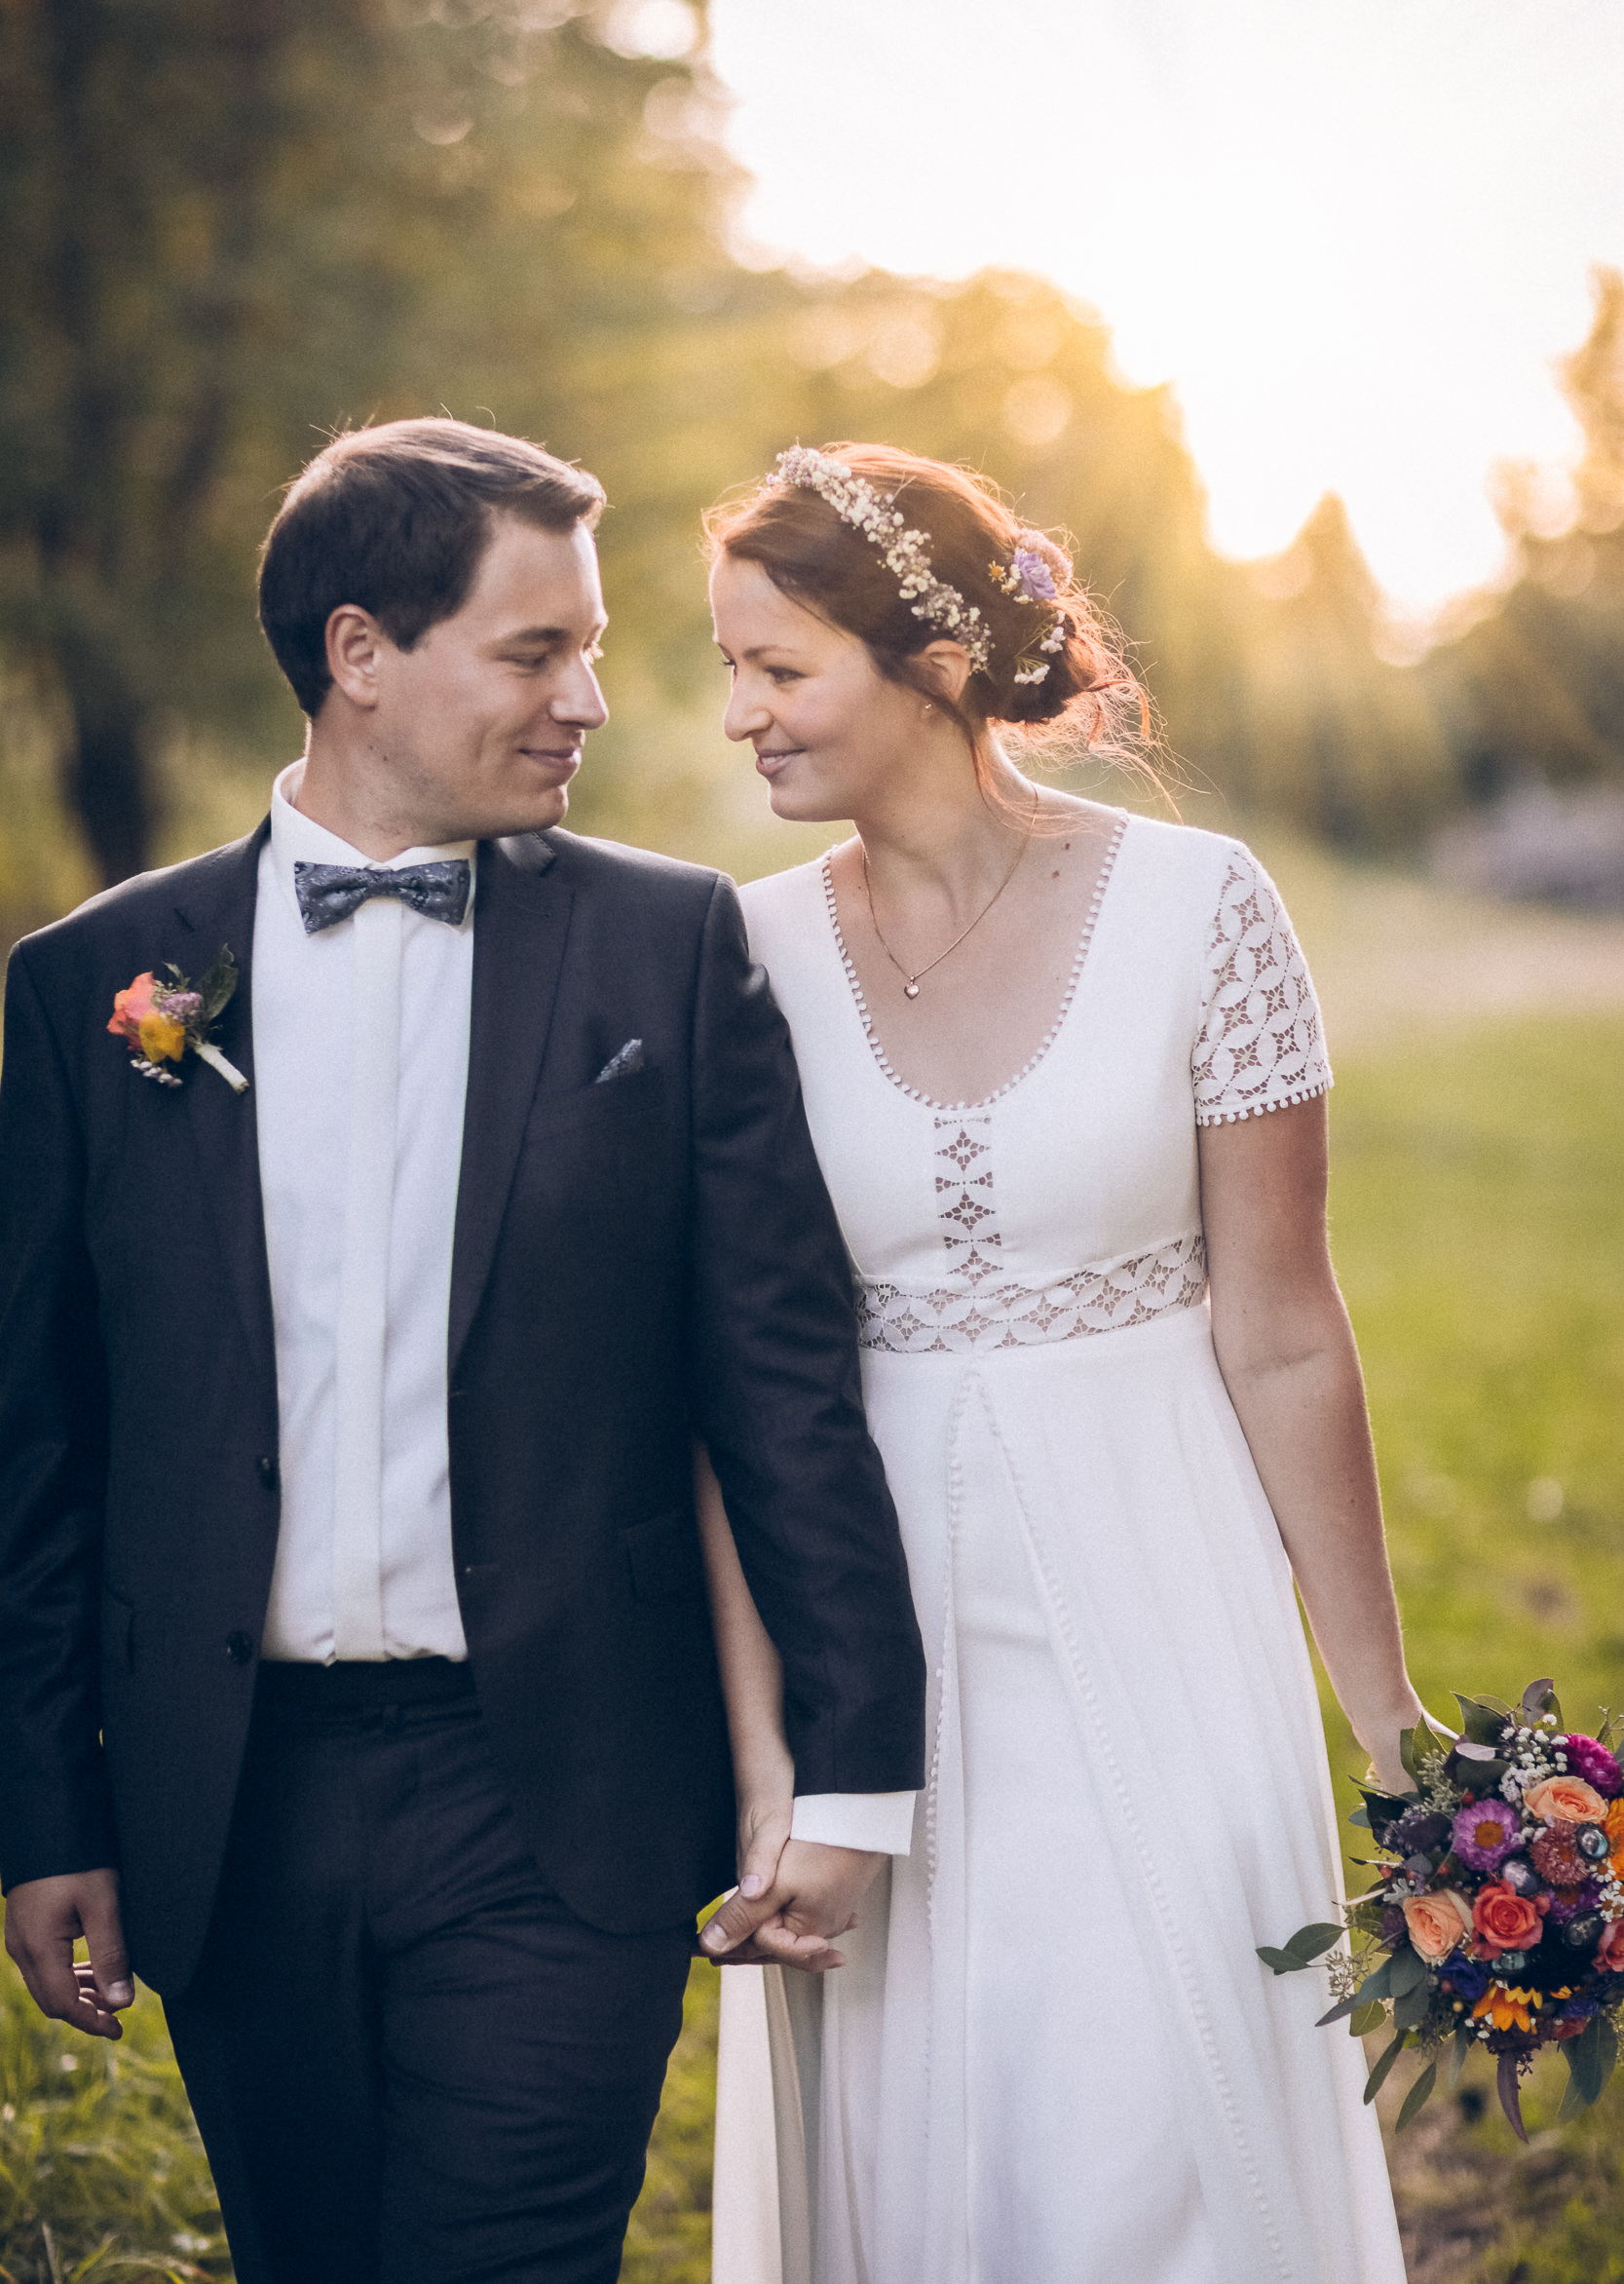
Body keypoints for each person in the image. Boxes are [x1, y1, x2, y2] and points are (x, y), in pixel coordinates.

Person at [0, 418, 927, 2284]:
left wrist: (850, 1770)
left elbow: (781, 1384)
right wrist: (48, 1810)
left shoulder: (667, 951)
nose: (588, 696)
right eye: (535, 652)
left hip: (558, 1789)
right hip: (228, 1795)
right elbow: (42, 1446)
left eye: (586, 648)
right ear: (360, 655)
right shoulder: (94, 989)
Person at [696, 443, 1415, 2283]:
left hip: (1167, 1584)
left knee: (1155, 2122)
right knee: (947, 2137)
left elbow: (1279, 1328)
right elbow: (737, 1393)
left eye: (778, 672)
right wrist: (770, 1753)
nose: (738, 720)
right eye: (730, 675)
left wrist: (1386, 1717)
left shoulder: (1203, 908)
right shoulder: (741, 960)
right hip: (884, 1634)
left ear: (927, 663)